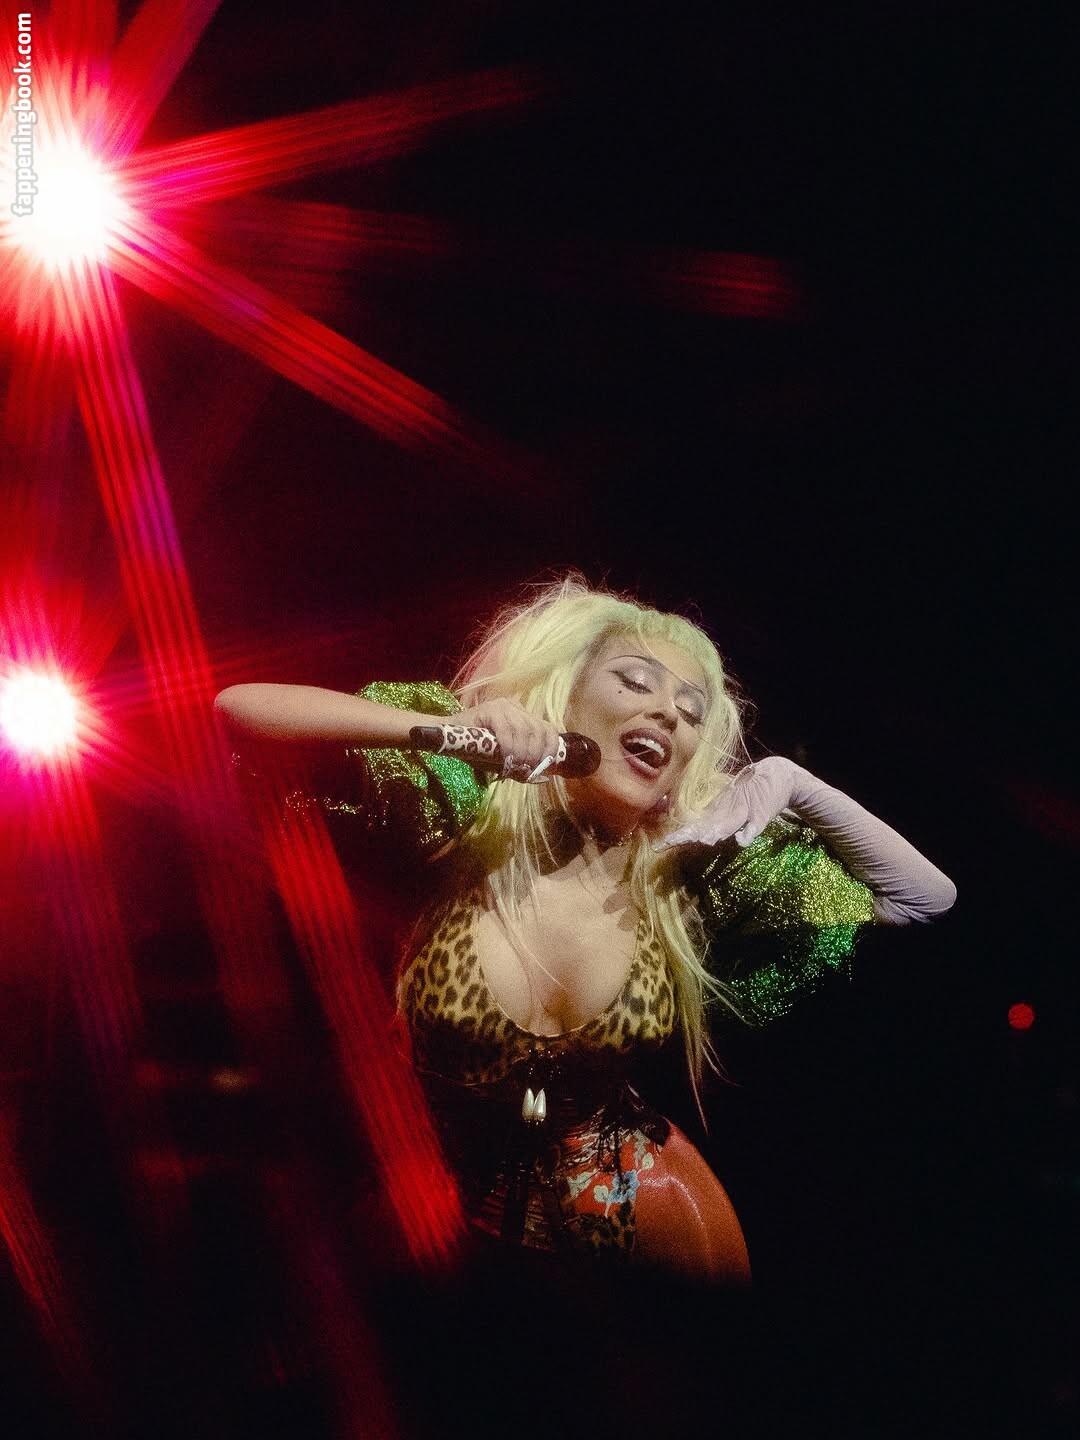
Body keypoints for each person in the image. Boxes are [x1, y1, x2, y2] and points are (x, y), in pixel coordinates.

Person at [214, 575, 955, 1284]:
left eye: (692, 711)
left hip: (640, 1212)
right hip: (424, 1203)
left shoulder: (684, 877)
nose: (667, 714)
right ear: (564, 696)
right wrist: (450, 734)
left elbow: (924, 897)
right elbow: (238, 709)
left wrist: (794, 782)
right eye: (635, 682)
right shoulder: (462, 815)